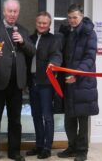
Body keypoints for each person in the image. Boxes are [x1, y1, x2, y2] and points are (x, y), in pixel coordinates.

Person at [0, 0, 36, 161]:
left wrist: (23, 41)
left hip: (16, 83)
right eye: (10, 11)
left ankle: (14, 152)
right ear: (4, 12)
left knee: (15, 120)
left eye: (15, 11)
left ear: (18, 13)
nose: (12, 14)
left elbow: (33, 51)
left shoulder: (23, 31)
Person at [57, 5, 98, 161]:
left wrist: (76, 73)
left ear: (81, 16)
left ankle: (82, 151)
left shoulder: (90, 33)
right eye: (70, 17)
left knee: (82, 119)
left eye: (75, 17)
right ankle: (72, 147)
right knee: (69, 119)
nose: (72, 20)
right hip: (68, 82)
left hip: (83, 83)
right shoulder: (67, 33)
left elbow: (89, 58)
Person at [25, 11, 62, 159]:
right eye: (39, 22)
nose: (41, 25)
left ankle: (47, 147)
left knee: (47, 116)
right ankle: (39, 145)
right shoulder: (30, 38)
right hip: (32, 82)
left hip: (46, 83)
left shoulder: (54, 40)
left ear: (49, 24)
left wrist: (53, 64)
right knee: (35, 116)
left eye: (44, 23)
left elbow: (57, 56)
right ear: (36, 22)